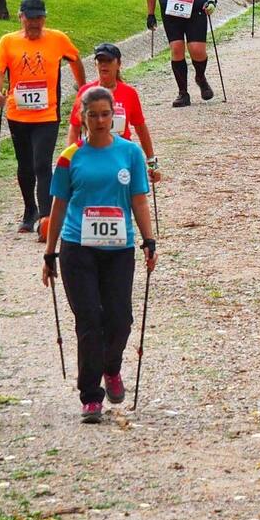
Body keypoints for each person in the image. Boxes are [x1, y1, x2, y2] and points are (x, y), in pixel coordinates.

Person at [42, 86, 157, 424]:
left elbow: (138, 199)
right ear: (83, 118)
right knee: (90, 319)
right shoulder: (69, 157)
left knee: (120, 319)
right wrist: (50, 253)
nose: (100, 120)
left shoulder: (131, 154)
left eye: (106, 114)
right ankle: (90, 395)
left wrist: (149, 240)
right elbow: (59, 204)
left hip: (119, 248)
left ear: (114, 116)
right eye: (93, 115)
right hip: (78, 247)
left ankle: (112, 367)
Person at [0, 0, 86, 233]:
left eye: (39, 19)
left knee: (42, 163)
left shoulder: (57, 39)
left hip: (46, 115)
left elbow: (75, 59)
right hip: (17, 114)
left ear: (44, 18)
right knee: (25, 165)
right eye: (30, 19)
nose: (34, 24)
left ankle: (46, 217)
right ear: (21, 17)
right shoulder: (8, 42)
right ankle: (29, 209)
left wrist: (82, 89)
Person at [66, 44, 160, 186]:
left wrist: (152, 162)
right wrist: (71, 159)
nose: (104, 65)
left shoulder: (129, 93)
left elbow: (140, 127)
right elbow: (74, 128)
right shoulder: (85, 92)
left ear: (118, 64)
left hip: (122, 155)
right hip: (93, 153)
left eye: (109, 61)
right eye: (100, 61)